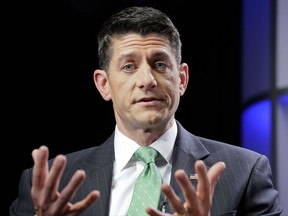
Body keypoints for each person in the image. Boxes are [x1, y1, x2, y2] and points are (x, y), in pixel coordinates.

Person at [10, 6, 282, 216]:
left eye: (160, 64)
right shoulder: (47, 186)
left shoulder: (245, 172)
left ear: (182, 79)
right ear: (104, 85)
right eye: (129, 66)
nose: (147, 80)